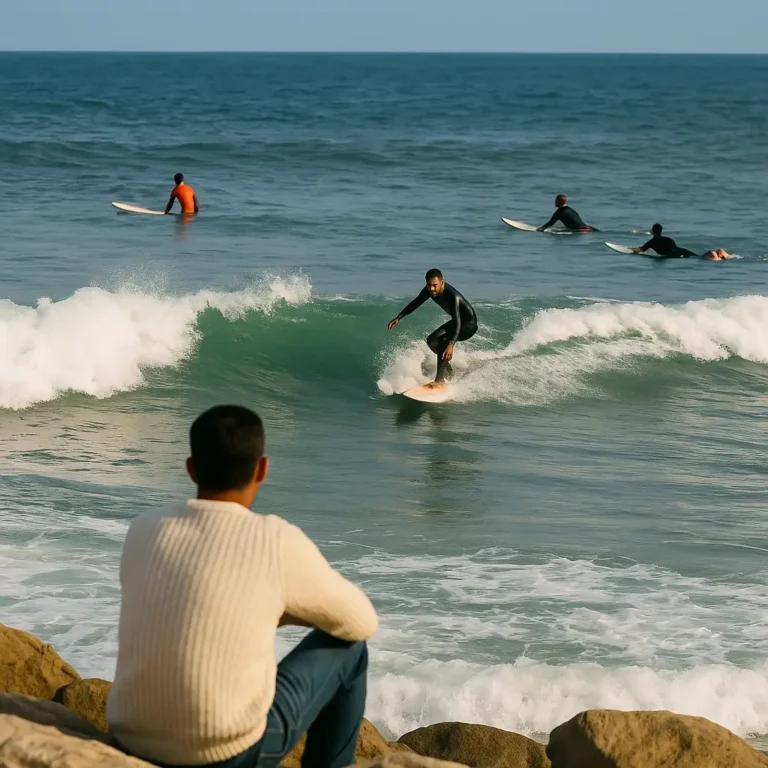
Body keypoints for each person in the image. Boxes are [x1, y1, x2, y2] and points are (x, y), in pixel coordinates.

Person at [107, 405, 378, 768]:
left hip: (130, 739)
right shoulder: (274, 540)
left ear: (191, 469)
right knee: (351, 649)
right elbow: (362, 622)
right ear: (262, 469)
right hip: (226, 754)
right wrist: (281, 613)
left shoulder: (143, 528)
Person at [388, 269, 477, 386]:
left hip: (468, 325)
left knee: (443, 341)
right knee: (431, 340)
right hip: (456, 322)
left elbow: (458, 321)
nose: (432, 288)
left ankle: (439, 380)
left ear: (442, 282)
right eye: (429, 285)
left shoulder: (452, 296)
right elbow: (416, 303)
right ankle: (448, 369)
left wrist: (451, 344)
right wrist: (399, 317)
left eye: (435, 285)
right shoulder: (428, 290)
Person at [632, 224, 735, 259]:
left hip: (676, 255)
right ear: (662, 231)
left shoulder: (651, 242)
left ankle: (714, 255)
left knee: (701, 258)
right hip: (683, 251)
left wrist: (628, 250)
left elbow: (640, 249)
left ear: (652, 231)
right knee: (698, 257)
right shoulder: (669, 239)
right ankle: (721, 253)